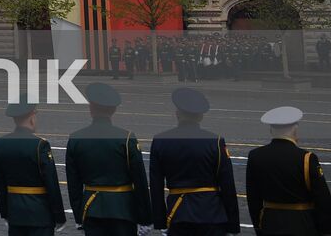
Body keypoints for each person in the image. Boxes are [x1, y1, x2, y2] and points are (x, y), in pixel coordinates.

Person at [148, 88, 239, 236]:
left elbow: (156, 185)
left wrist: (160, 220)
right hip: (211, 213)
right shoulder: (215, 141)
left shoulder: (161, 141)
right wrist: (233, 224)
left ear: (177, 114)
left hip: (178, 213)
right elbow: (227, 184)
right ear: (200, 117)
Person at [65, 83, 151, 236]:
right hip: (123, 209)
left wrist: (79, 216)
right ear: (114, 110)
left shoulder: (76, 139)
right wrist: (144, 217)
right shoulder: (126, 138)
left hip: (92, 208)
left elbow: (74, 184)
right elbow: (140, 180)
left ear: (90, 107)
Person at [246, 106, 331, 236]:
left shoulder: (255, 156)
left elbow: (253, 198)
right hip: (303, 224)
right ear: (295, 129)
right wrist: (325, 229)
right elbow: (322, 198)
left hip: (270, 223)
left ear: (271, 130)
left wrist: (258, 226)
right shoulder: (307, 158)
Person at [0, 98, 66, 236]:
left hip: (15, 214)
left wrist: (6, 213)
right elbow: (52, 184)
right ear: (32, 116)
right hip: (40, 215)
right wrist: (59, 216)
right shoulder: (40, 145)